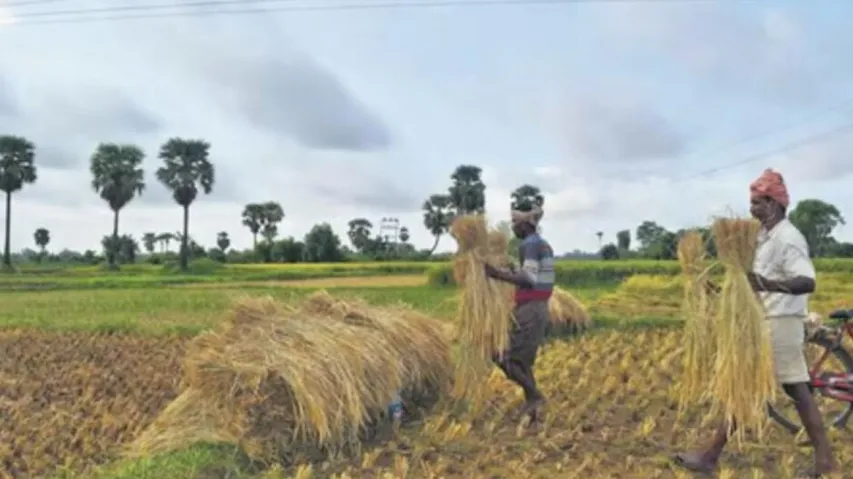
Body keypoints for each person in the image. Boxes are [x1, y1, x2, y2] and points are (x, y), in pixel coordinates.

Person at [673, 168, 835, 478]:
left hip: (782, 322)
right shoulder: (762, 238)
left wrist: (766, 283)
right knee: (755, 387)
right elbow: (749, 283)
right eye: (752, 202)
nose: (752, 209)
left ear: (774, 204)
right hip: (766, 321)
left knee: (794, 391)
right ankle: (711, 455)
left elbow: (807, 282)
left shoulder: (789, 238)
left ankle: (824, 461)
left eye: (758, 202)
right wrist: (711, 287)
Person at [484, 205, 554, 423]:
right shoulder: (541, 244)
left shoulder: (530, 245)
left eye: (516, 224)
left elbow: (529, 279)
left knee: (502, 355)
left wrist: (497, 274)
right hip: (535, 306)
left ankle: (535, 396)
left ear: (526, 225)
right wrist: (511, 270)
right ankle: (532, 406)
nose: (513, 228)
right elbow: (530, 274)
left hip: (531, 308)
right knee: (522, 361)